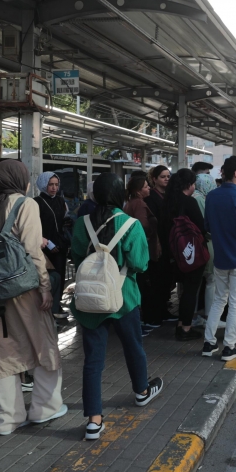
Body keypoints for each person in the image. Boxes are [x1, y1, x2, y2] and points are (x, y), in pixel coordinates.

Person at [0, 160, 65, 436]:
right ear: (17, 179)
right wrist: (45, 288)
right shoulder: (25, 204)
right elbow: (34, 252)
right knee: (43, 344)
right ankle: (45, 408)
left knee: (1, 352)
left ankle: (6, 419)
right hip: (25, 289)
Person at [70, 173, 163, 441]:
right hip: (124, 298)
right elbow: (140, 263)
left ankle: (93, 421)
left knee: (93, 360)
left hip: (90, 301)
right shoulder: (130, 225)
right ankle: (142, 391)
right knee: (133, 347)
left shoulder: (81, 224)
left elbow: (77, 257)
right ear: (119, 195)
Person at [202, 156, 236, 361]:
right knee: (235, 303)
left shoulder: (212, 197)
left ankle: (209, 343)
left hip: (220, 257)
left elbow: (207, 226)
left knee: (218, 300)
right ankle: (229, 347)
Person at [158, 168, 207, 341]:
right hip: (190, 253)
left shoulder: (167, 202)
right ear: (188, 185)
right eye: (193, 184)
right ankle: (185, 328)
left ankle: (181, 324)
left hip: (173, 254)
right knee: (190, 292)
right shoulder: (189, 202)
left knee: (184, 291)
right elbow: (201, 227)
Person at [125, 176, 161, 335]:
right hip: (142, 250)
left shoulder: (130, 203)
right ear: (139, 191)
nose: (149, 189)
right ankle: (142, 321)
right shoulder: (139, 204)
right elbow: (143, 225)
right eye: (146, 186)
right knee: (144, 285)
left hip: (135, 249)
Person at [144, 166, 177, 324]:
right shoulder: (150, 197)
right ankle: (156, 313)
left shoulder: (169, 196)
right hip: (157, 242)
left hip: (169, 242)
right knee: (157, 279)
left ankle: (163, 310)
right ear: (154, 179)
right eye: (163, 176)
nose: (166, 179)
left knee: (166, 279)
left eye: (168, 176)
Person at [34, 172, 70, 319]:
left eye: (56, 184)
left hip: (60, 245)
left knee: (60, 275)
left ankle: (57, 304)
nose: (54, 188)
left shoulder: (61, 201)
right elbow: (34, 226)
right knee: (48, 276)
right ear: (44, 185)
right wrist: (46, 242)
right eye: (50, 184)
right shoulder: (37, 202)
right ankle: (46, 304)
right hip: (45, 246)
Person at [193, 173, 217, 325]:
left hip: (192, 245)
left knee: (194, 283)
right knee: (211, 279)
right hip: (205, 244)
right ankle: (208, 316)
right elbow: (206, 226)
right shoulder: (200, 199)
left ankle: (193, 314)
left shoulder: (193, 197)